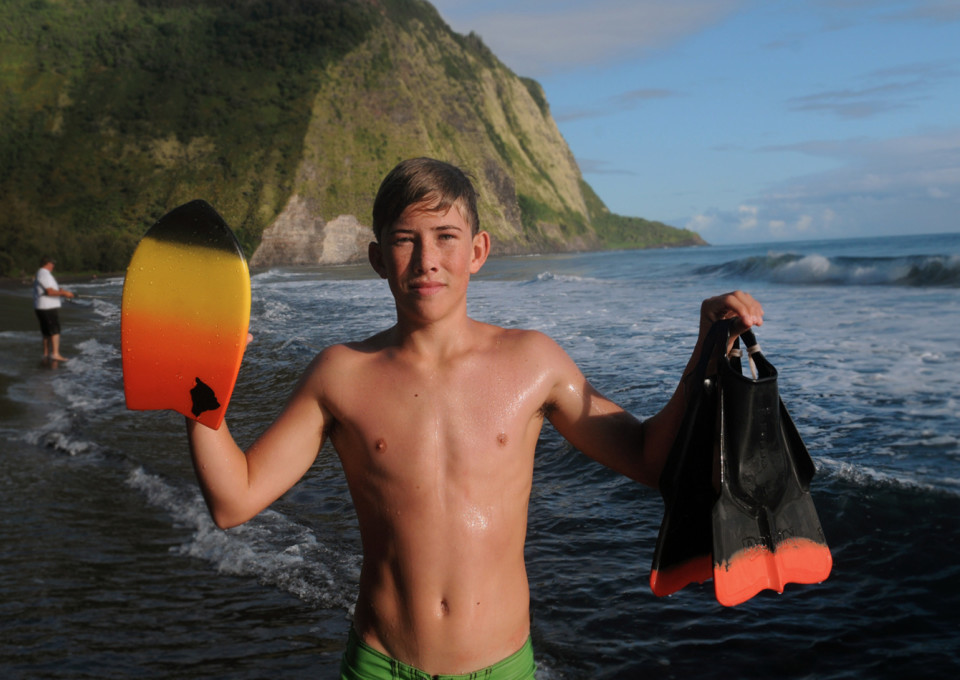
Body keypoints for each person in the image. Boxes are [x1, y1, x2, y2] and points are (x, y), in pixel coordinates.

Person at [185, 158, 764, 680]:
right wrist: (202, 399)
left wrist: (706, 351)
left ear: (478, 251)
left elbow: (649, 459)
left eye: (445, 237)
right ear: (377, 257)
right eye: (405, 240)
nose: (427, 259)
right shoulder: (341, 374)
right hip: (379, 665)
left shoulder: (533, 363)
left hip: (501, 667)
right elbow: (235, 501)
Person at [33, 256, 74, 361]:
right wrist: (65, 293)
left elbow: (51, 289)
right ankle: (55, 354)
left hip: (43, 306)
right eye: (52, 263)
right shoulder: (44, 273)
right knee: (54, 330)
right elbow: (50, 292)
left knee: (46, 332)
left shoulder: (42, 273)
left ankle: (46, 354)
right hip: (47, 307)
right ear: (47, 263)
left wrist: (60, 291)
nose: (53, 266)